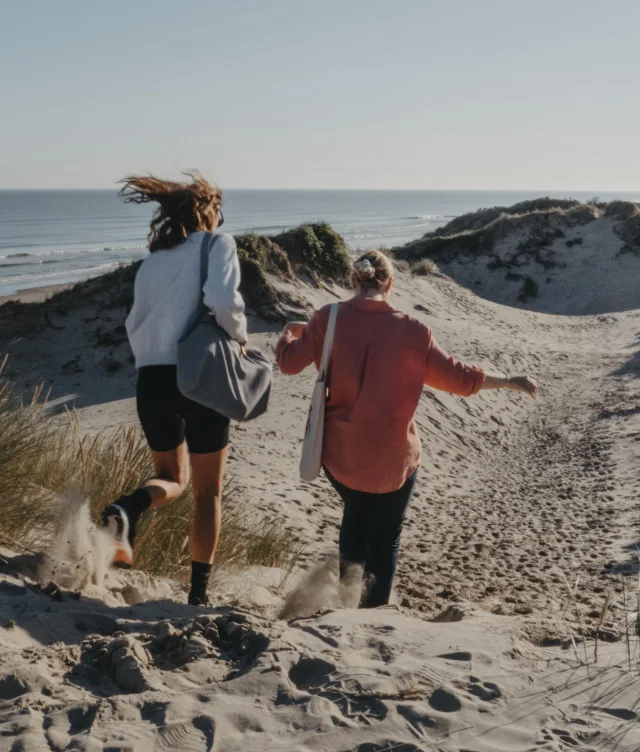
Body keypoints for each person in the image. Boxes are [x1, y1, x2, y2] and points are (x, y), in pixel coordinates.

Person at [276, 250, 537, 609]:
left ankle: (345, 604)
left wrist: (288, 333)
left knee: (356, 513)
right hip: (394, 461)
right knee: (385, 537)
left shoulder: (326, 319)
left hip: (344, 458)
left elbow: (289, 364)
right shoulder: (414, 331)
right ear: (390, 283)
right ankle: (375, 612)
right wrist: (509, 381)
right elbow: (460, 379)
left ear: (353, 281)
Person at [102, 171, 248, 606]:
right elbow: (223, 300)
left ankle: (127, 508)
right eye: (219, 211)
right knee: (207, 492)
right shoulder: (217, 243)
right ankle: (197, 597)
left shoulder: (152, 262)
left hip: (152, 377)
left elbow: (136, 324)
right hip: (199, 375)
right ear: (208, 211)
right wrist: (239, 338)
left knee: (170, 478)